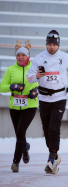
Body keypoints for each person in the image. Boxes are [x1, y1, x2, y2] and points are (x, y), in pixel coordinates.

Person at [26, 30, 68, 174]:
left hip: (59, 97)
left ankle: (50, 159)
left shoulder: (66, 57)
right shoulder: (39, 58)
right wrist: (36, 75)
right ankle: (55, 155)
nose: (51, 47)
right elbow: (28, 77)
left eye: (54, 44)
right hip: (43, 98)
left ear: (58, 44)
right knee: (47, 129)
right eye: (49, 44)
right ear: (46, 44)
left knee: (54, 127)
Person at [0, 40, 38, 172]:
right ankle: (25, 147)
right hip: (15, 107)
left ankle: (15, 163)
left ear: (28, 56)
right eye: (18, 55)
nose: (21, 57)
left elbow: (42, 84)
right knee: (19, 134)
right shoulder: (11, 70)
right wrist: (12, 87)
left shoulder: (34, 68)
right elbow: (1, 86)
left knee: (21, 131)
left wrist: (36, 92)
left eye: (23, 55)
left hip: (30, 106)